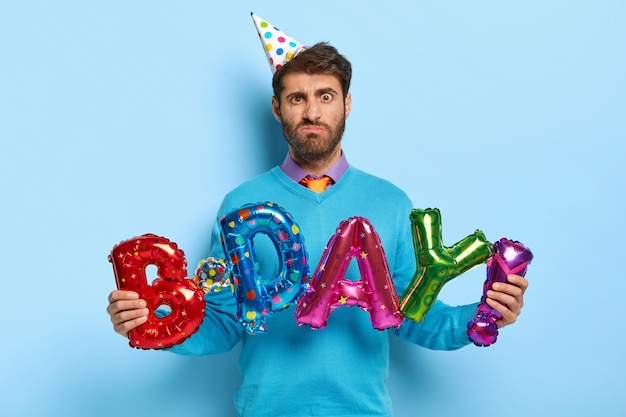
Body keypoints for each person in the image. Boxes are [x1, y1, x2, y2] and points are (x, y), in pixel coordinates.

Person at [107, 41, 528, 417]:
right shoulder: (239, 206)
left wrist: (483, 317)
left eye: (325, 96)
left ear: (346, 103)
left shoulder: (391, 203)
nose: (311, 111)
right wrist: (153, 322)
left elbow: (412, 315)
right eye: (297, 98)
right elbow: (222, 323)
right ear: (277, 108)